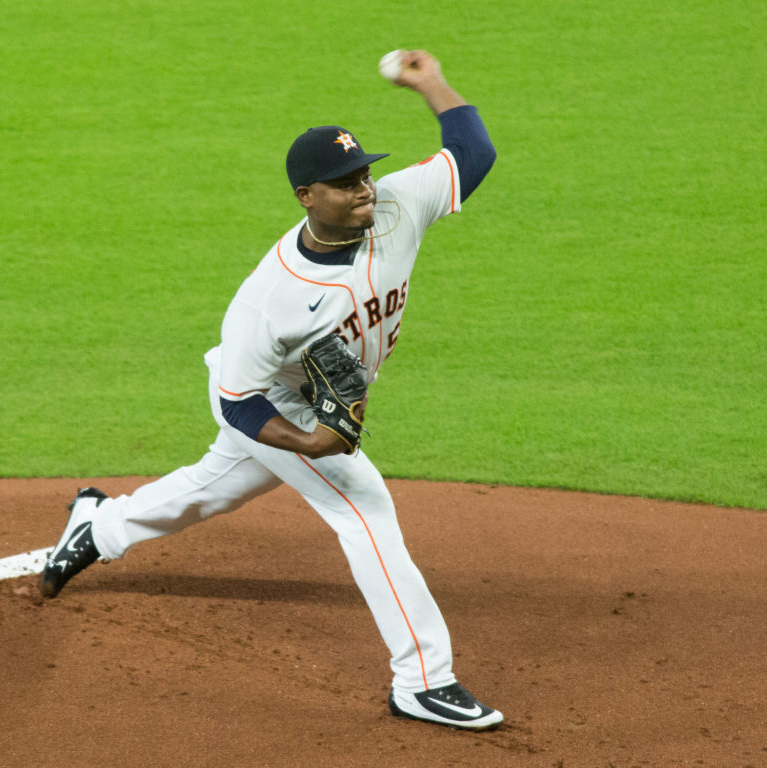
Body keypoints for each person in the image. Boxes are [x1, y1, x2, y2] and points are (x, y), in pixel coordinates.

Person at [39, 49, 502, 730]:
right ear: (306, 196)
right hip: (273, 401)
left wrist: (429, 81)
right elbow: (237, 402)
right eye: (345, 183)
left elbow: (473, 150)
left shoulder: (400, 204)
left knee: (212, 488)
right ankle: (423, 679)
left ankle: (96, 526)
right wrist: (310, 441)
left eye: (365, 173)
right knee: (364, 510)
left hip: (299, 401)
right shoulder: (272, 299)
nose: (365, 188)